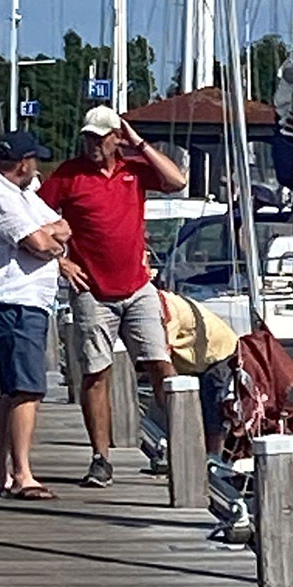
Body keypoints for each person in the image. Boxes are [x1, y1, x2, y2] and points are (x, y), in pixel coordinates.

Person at [39, 105, 187, 487]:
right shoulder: (69, 175)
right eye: (87, 137)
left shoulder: (134, 170)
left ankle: (177, 444)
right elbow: (33, 218)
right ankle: (100, 458)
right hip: (92, 290)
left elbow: (177, 181)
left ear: (115, 138)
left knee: (161, 365)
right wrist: (60, 261)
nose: (92, 144)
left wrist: (138, 142)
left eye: (100, 137)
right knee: (95, 373)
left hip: (138, 287)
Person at [0, 131, 72, 500]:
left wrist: (50, 236)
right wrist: (50, 238)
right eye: (34, 160)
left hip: (26, 301)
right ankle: (22, 474)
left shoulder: (24, 195)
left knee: (11, 389)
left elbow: (63, 227)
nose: (37, 167)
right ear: (22, 162)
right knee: (27, 390)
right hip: (13, 302)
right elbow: (43, 243)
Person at [158, 290, 239, 456]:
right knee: (198, 409)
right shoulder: (160, 304)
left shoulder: (166, 308)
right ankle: (193, 453)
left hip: (217, 353)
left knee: (213, 409)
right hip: (191, 361)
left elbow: (162, 350)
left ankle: (213, 457)